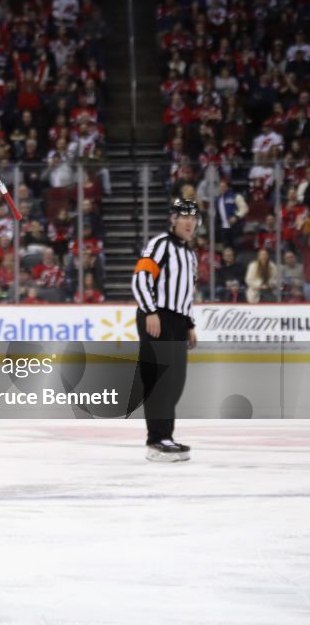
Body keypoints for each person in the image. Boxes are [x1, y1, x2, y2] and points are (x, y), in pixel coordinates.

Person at [131, 198, 199, 462]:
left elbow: (187, 294)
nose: (189, 222)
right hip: (157, 317)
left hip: (178, 321)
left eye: (193, 218)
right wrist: (150, 311)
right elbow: (141, 278)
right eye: (184, 217)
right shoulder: (161, 244)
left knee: (175, 382)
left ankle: (166, 436)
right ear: (173, 219)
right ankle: (156, 440)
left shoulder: (190, 255)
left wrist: (189, 323)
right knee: (159, 380)